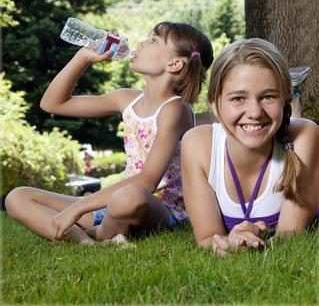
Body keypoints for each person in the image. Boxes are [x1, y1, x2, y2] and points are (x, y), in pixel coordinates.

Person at [5, 21, 214, 245]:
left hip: (160, 209)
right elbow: (53, 103)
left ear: (174, 64)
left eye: (153, 40)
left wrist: (78, 207)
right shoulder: (126, 99)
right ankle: (88, 242)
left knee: (129, 196)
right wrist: (83, 57)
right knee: (17, 197)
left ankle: (97, 233)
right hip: (113, 207)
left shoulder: (175, 109)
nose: (141, 43)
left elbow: (147, 181)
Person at [181, 38, 319, 256]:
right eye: (238, 98)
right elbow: (208, 238)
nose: (255, 112)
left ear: (285, 98)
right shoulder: (197, 144)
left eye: (268, 96)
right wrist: (231, 243)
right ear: (214, 103)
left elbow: (290, 236)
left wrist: (252, 240)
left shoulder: (304, 135)